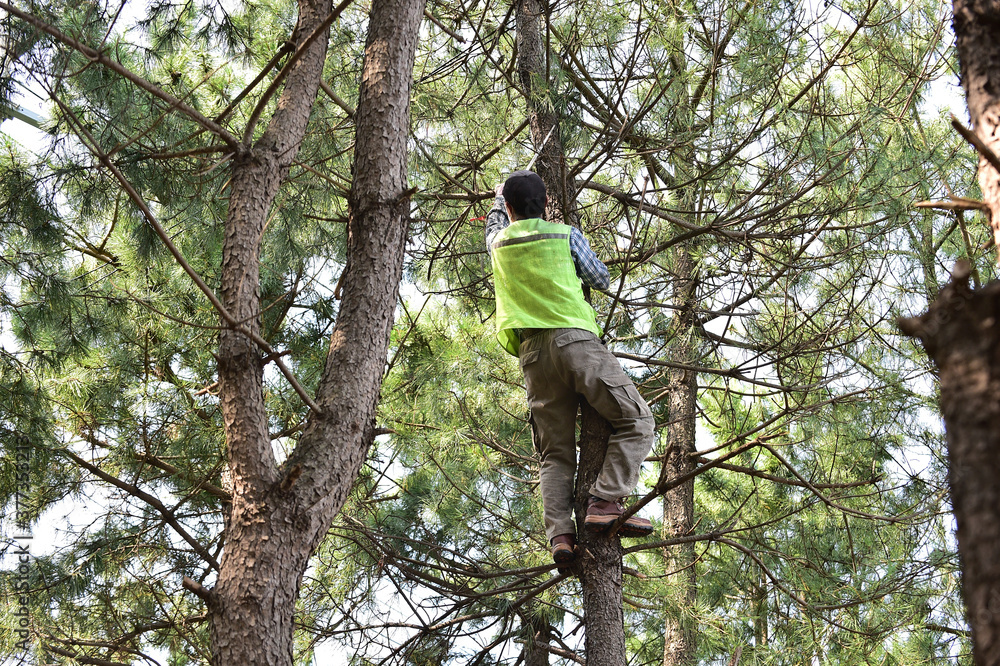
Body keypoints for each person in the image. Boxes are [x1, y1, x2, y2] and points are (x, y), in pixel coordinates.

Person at [485, 170, 655, 567]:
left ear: (509, 208)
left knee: (555, 456)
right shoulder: (563, 234)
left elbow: (494, 225)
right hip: (574, 341)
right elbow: (600, 277)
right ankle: (605, 501)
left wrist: (496, 200)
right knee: (637, 420)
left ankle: (561, 537)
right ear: (546, 205)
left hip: (533, 358)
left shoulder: (498, 242)